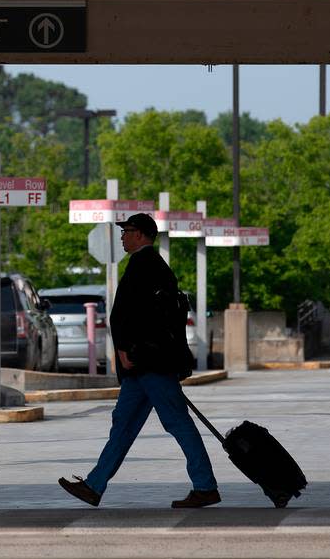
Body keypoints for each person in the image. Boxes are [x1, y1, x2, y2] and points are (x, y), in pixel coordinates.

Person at [58, 212, 220, 509]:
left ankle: (205, 485)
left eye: (127, 231)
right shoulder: (151, 266)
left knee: (177, 423)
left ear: (141, 235)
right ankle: (94, 485)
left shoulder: (145, 266)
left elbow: (138, 316)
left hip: (148, 362)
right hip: (143, 365)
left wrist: (125, 348)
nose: (122, 236)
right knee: (123, 425)